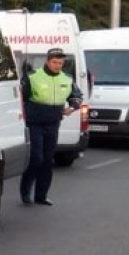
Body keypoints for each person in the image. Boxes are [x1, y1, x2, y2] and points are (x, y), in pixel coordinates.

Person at [20, 47, 82, 206]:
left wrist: (72, 107)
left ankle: (41, 196)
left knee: (47, 160)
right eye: (54, 62)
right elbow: (23, 98)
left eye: (60, 63)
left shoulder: (67, 79)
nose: (57, 65)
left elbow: (76, 96)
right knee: (36, 158)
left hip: (53, 123)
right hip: (35, 123)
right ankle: (25, 191)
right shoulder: (33, 76)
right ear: (47, 61)